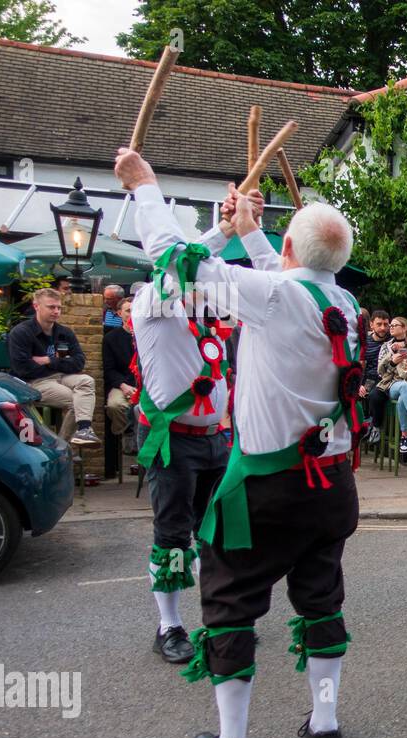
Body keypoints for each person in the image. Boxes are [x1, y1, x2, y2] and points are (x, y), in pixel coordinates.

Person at [118, 147, 364, 738]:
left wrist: (146, 186)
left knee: (229, 605)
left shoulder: (277, 295)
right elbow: (278, 279)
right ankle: (326, 727)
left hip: (267, 489)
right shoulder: (346, 308)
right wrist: (250, 226)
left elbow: (175, 259)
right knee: (320, 599)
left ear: (288, 249)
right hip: (333, 487)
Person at [129, 187, 252, 666]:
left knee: (215, 532)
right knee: (173, 534)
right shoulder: (152, 309)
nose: (204, 287)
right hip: (171, 442)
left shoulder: (205, 321)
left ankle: (216, 618)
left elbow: (206, 270)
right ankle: (169, 626)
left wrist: (232, 224)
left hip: (214, 440)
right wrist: (221, 231)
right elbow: (183, 263)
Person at [6, 288, 101, 446]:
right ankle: (62, 446)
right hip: (35, 382)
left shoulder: (64, 332)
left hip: (61, 376)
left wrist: (49, 361)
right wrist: (63, 363)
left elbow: (79, 362)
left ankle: (83, 431)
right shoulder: (21, 332)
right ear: (36, 306)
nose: (56, 311)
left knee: (87, 380)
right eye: (51, 307)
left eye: (59, 307)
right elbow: (24, 368)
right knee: (75, 401)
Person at [103, 297, 139, 454]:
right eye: (128, 311)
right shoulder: (111, 338)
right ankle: (128, 431)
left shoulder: (149, 335)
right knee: (115, 406)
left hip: (146, 384)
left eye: (136, 310)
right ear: (119, 313)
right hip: (122, 383)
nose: (132, 314)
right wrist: (123, 386)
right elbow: (109, 369)